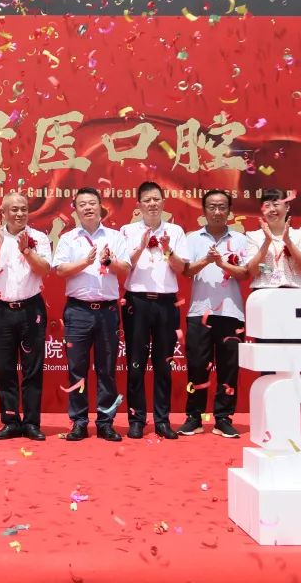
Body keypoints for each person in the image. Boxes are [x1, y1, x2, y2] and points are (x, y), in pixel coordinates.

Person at [51, 187, 131, 442]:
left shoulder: (115, 236)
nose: (88, 208)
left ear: (100, 206)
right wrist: (86, 262)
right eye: (82, 204)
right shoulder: (68, 239)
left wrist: (110, 262)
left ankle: (106, 422)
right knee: (77, 369)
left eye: (92, 203)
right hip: (78, 311)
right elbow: (60, 270)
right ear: (75, 209)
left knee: (107, 369)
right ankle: (79, 422)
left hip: (107, 311)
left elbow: (125, 269)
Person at [0, 192, 52, 442]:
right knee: (5, 369)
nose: (20, 214)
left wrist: (27, 251)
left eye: (23, 209)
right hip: (2, 311)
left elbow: (45, 270)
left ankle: (31, 423)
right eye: (14, 209)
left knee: (33, 369)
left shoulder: (38, 237)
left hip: (31, 309)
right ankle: (10, 422)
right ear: (3, 212)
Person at [120, 182, 188, 440]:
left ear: (163, 202)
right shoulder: (127, 231)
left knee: (164, 364)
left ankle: (162, 420)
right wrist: (140, 246)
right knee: (135, 363)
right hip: (136, 302)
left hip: (166, 304)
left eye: (156, 199)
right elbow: (123, 267)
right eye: (147, 200)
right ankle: (136, 419)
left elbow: (181, 269)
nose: (152, 204)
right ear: (138, 204)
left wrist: (167, 249)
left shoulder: (175, 231)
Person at [180, 190, 250, 438]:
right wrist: (207, 261)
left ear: (229, 211)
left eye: (222, 207)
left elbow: (246, 273)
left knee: (228, 368)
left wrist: (223, 264)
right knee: (197, 366)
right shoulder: (192, 238)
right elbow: (185, 271)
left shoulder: (241, 239)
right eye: (212, 207)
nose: (217, 212)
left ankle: (223, 418)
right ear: (204, 210)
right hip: (200, 311)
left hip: (231, 312)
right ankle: (194, 417)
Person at [245, 188, 301, 427]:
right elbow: (251, 270)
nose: (272, 209)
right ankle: (272, 420)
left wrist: (288, 242)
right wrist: (267, 242)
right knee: (270, 361)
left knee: (299, 360)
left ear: (287, 207)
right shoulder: (253, 236)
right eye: (267, 205)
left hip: (296, 300)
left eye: (276, 204)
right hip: (267, 300)